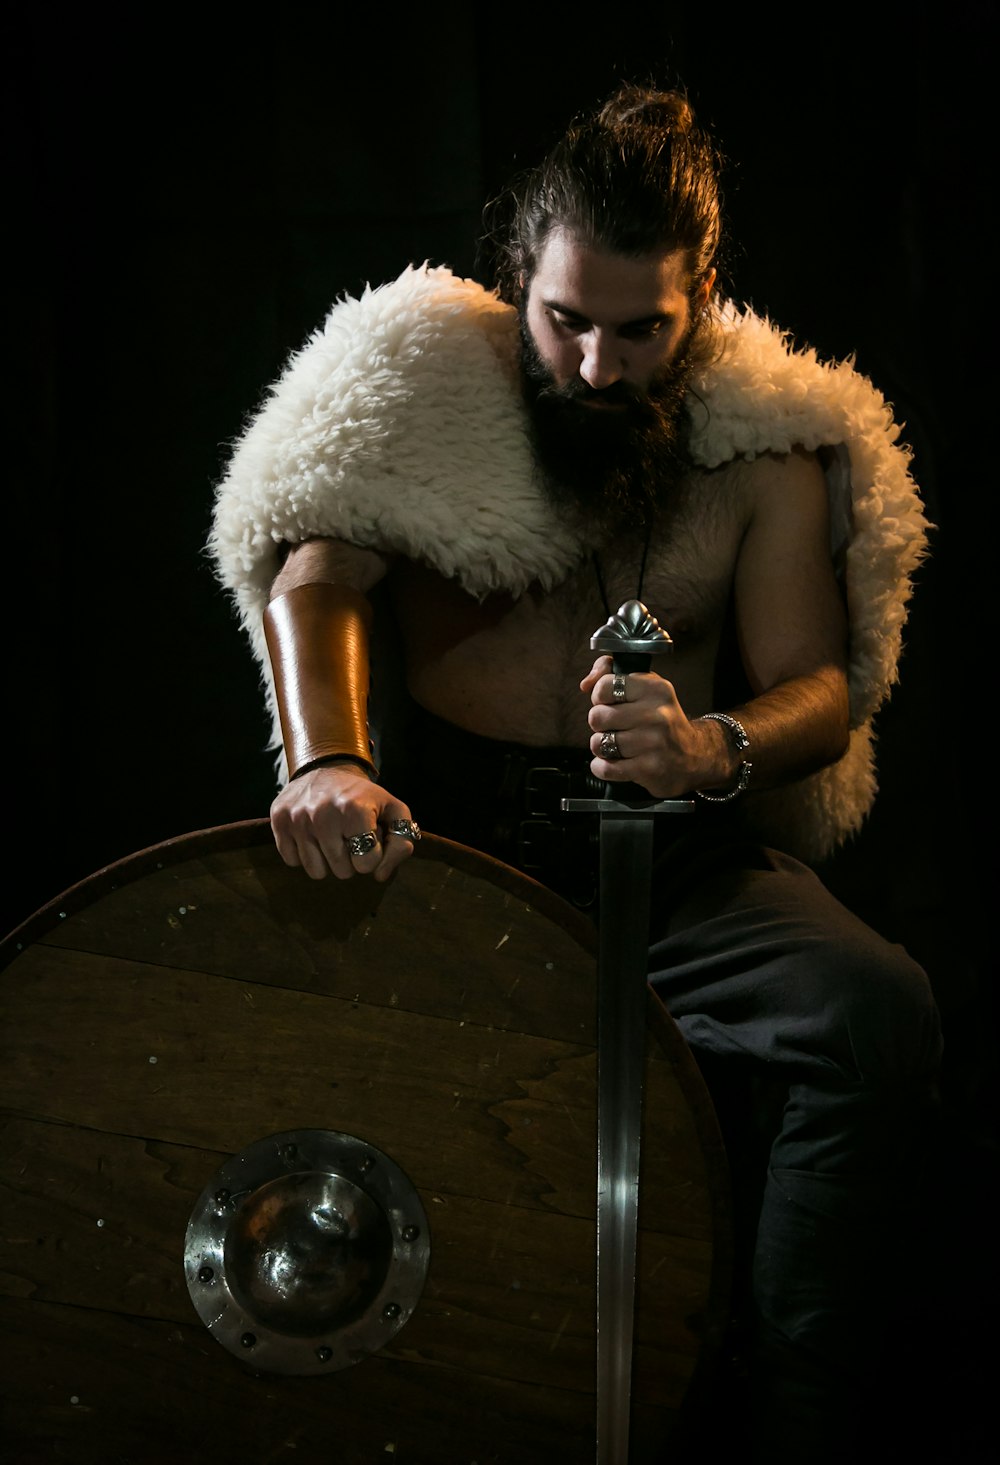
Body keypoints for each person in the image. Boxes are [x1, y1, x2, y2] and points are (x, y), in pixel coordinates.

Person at [209, 85, 942, 1462]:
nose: (600, 366)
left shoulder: (768, 446)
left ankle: (795, 1411)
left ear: (702, 298)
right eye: (569, 322)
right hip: (453, 855)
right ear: (521, 279)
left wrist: (711, 743)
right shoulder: (421, 384)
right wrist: (333, 763)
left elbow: (823, 688)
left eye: (643, 329)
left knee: (873, 1010)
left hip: (680, 865)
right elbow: (316, 568)